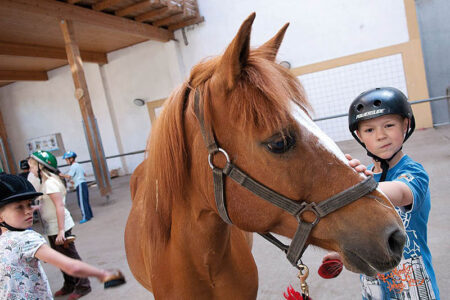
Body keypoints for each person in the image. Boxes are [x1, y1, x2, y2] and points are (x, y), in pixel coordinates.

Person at [324, 87, 440, 299]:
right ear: (359, 136)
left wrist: (351, 185)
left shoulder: (413, 172)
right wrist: (341, 253)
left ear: (406, 125)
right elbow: (360, 230)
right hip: (374, 287)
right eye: (369, 130)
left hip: (413, 286)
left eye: (389, 125)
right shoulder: (365, 178)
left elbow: (400, 192)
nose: (380, 136)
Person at [0, 173, 125, 299]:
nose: (28, 210)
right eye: (19, 207)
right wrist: (103, 274)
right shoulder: (26, 239)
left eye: (28, 204)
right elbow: (72, 267)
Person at [28, 150, 93, 299]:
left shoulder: (50, 183)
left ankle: (83, 285)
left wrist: (61, 231)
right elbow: (49, 203)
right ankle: (70, 283)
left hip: (59, 227)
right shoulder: (46, 182)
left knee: (70, 257)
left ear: (40, 167)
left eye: (32, 167)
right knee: (60, 257)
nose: (31, 170)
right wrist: (36, 208)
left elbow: (59, 207)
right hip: (52, 227)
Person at [59, 151, 93, 224]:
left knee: (81, 202)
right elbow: (84, 174)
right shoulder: (79, 165)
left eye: (67, 159)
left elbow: (68, 176)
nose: (66, 161)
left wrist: (61, 175)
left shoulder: (73, 166)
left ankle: (85, 217)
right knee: (85, 200)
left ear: (71, 159)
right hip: (83, 183)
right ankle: (90, 214)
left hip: (80, 185)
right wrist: (75, 179)